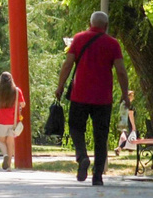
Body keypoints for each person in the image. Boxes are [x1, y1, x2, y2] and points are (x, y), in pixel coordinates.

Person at [55, 11, 130, 186]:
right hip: (103, 98)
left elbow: (67, 64)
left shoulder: (79, 39)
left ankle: (82, 156)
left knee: (75, 128)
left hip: (79, 95)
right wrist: (125, 94)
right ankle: (97, 176)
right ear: (106, 26)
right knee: (101, 136)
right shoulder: (113, 44)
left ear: (90, 24)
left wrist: (60, 86)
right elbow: (121, 71)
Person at [0, 71, 25, 171]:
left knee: (1, 141)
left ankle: (5, 155)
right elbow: (23, 104)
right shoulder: (17, 91)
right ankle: (9, 166)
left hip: (1, 119)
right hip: (13, 120)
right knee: (10, 143)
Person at [115, 90, 137, 155]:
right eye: (132, 95)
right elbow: (131, 115)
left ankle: (119, 149)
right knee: (130, 138)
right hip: (129, 123)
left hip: (124, 123)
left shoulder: (123, 105)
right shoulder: (130, 106)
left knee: (127, 137)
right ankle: (120, 149)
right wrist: (133, 125)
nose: (133, 97)